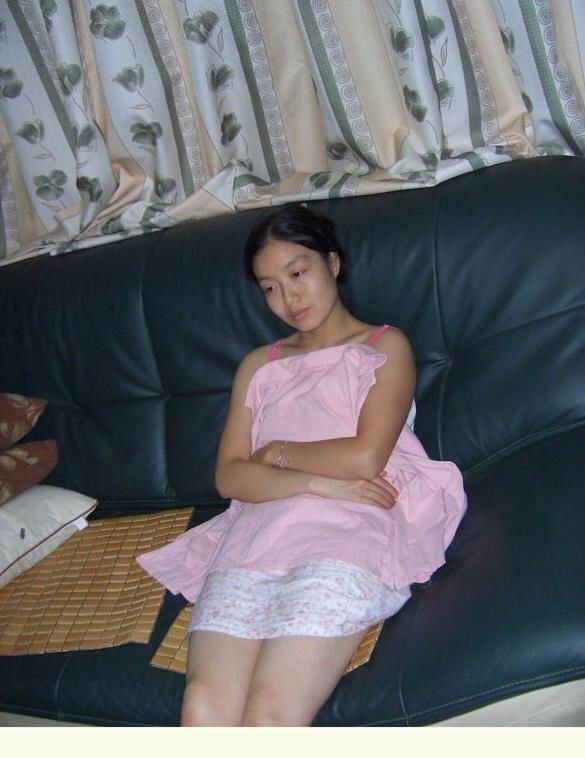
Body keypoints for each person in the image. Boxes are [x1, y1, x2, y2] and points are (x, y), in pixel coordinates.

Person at [137, 204, 467, 727]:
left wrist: (276, 453)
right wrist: (316, 483)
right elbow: (229, 476)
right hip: (258, 535)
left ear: (332, 263)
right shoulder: (259, 365)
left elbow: (365, 457)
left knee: (270, 715)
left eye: (297, 273)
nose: (288, 299)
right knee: (201, 708)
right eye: (269, 287)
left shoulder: (384, 346)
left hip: (346, 530)